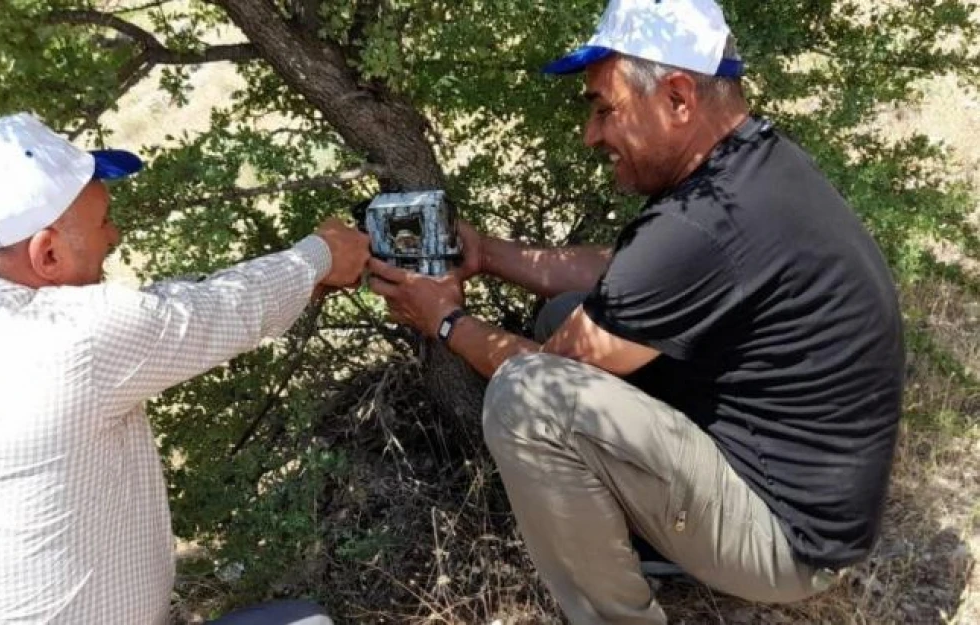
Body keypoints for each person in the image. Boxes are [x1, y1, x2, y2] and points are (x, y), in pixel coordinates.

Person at [368, 0, 905, 622]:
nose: (592, 135)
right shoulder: (751, 169)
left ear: (678, 97)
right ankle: (643, 528)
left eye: (605, 109)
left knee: (528, 397)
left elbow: (549, 368)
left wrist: (444, 320)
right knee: (569, 312)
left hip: (789, 544)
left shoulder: (702, 223)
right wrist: (486, 253)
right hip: (806, 496)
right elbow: (621, 274)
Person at [0, 112, 368, 624]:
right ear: (46, 252)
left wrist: (306, 280)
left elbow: (162, 305)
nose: (116, 235)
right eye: (103, 221)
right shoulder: (75, 339)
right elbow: (223, 312)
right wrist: (321, 256)